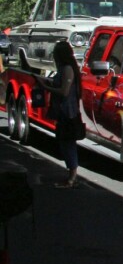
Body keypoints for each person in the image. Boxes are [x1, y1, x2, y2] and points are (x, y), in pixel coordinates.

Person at [39, 40, 83, 188]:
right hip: (64, 110)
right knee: (65, 142)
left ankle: (72, 177)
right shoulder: (66, 69)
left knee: (68, 143)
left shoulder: (67, 69)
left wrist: (46, 87)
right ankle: (71, 174)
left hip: (68, 111)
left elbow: (64, 91)